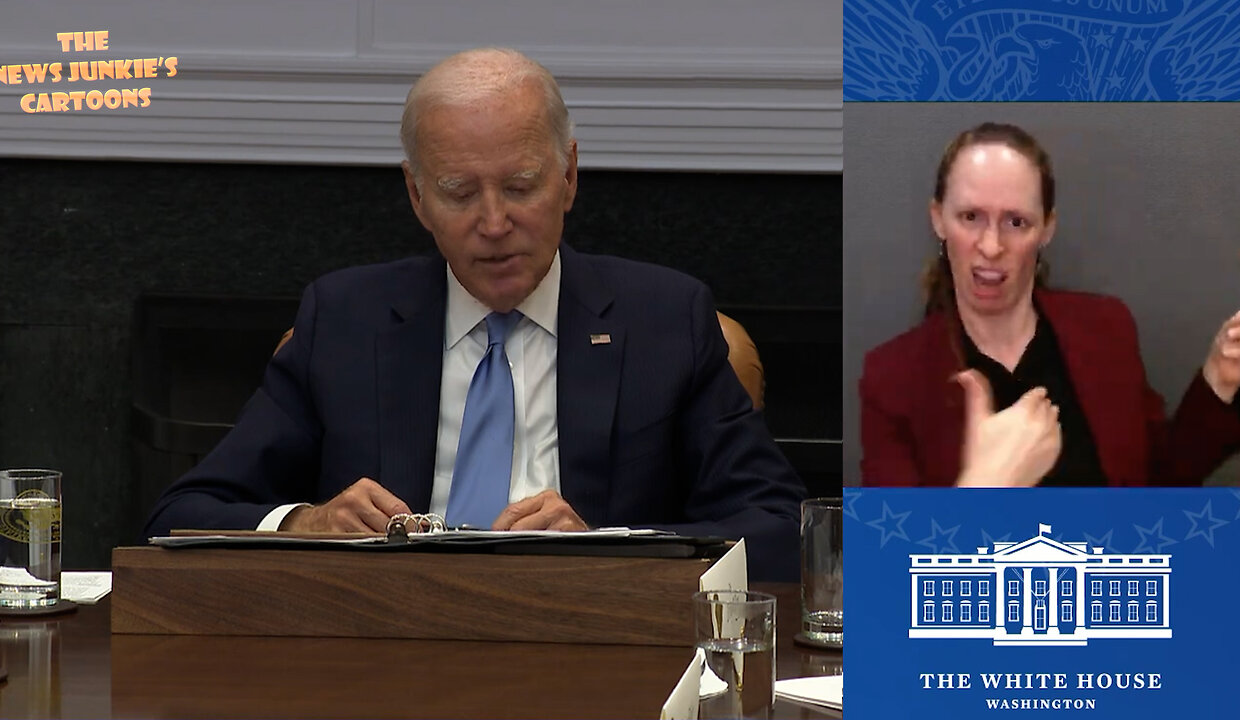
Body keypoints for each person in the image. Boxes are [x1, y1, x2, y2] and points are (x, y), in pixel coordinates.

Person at [144, 48, 804, 580]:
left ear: (568, 176)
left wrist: (608, 545)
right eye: (461, 193)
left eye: (521, 188)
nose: (494, 223)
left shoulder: (664, 320)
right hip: (381, 649)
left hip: (590, 645)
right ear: (417, 195)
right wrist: (302, 524)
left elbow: (781, 528)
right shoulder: (346, 320)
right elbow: (182, 515)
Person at [859, 122, 1240, 487]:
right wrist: (989, 484)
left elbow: (1157, 485)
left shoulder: (1106, 329)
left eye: (1016, 222)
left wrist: (1219, 378)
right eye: (970, 217)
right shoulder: (892, 379)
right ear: (938, 220)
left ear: (1046, 228)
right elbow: (894, 552)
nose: (991, 246)